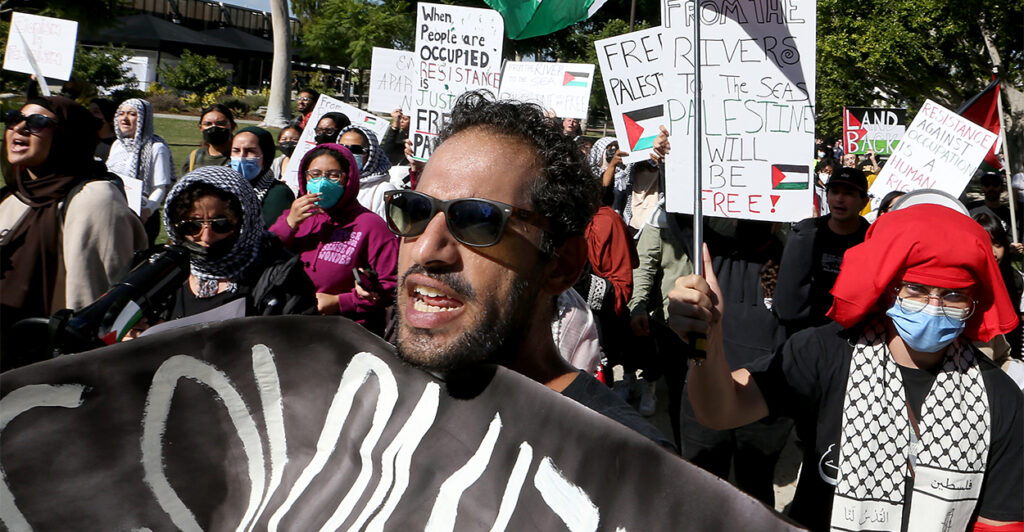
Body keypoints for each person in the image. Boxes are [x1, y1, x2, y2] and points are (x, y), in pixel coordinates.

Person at [670, 203, 1023, 531]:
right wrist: (707, 340)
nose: (934, 306)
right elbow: (721, 410)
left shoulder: (1000, 397)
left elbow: (999, 524)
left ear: (974, 301)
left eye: (954, 295)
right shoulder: (824, 352)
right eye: (915, 289)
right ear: (889, 288)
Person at [385, 90, 673, 449]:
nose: (426, 249)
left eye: (477, 220)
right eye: (413, 210)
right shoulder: (360, 399)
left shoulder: (625, 462)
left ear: (561, 266)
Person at [0, 96, 147, 367]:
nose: (19, 128)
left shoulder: (94, 200)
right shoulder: (13, 196)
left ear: (68, 135)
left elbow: (94, 305)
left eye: (37, 122)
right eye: (14, 119)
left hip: (45, 371)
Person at [124, 166, 317, 335]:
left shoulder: (282, 278)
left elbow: (301, 346)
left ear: (245, 220)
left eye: (221, 224)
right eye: (192, 226)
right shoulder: (158, 271)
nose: (206, 237)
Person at [679, 220, 792, 507]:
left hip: (762, 402)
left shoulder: (793, 261)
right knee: (701, 488)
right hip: (705, 391)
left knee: (754, 493)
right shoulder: (714, 252)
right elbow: (680, 214)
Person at [269, 143, 397, 335]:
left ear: (348, 179)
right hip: (290, 326)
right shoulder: (296, 215)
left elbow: (392, 284)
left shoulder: (370, 225)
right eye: (315, 174)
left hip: (344, 333)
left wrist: (341, 302)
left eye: (333, 175)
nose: (322, 182)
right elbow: (264, 254)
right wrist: (289, 224)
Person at [774, 166, 870, 334]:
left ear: (864, 202)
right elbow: (787, 299)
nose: (839, 199)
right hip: (802, 334)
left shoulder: (872, 242)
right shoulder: (804, 235)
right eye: (834, 192)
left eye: (848, 194)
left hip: (850, 334)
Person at [106, 98, 175, 245]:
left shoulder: (156, 148)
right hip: (114, 212)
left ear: (144, 118)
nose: (124, 118)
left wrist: (147, 211)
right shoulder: (117, 145)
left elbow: (160, 188)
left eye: (132, 114)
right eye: (121, 114)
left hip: (142, 217)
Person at [229, 126, 295, 228]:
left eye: (250, 151)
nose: (241, 157)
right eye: (236, 151)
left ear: (265, 157)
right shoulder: (221, 187)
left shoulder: (279, 194)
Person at [338, 124, 397, 219]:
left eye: (355, 149)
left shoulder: (384, 190)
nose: (347, 154)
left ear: (371, 154)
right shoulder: (334, 185)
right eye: (342, 148)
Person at [182, 104, 236, 175]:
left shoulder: (240, 158)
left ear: (232, 126)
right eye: (207, 124)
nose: (213, 128)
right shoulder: (194, 157)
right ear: (201, 128)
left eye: (220, 123)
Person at [88, 98, 117, 162]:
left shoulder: (118, 145)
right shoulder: (85, 140)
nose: (90, 115)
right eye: (88, 111)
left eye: (96, 112)